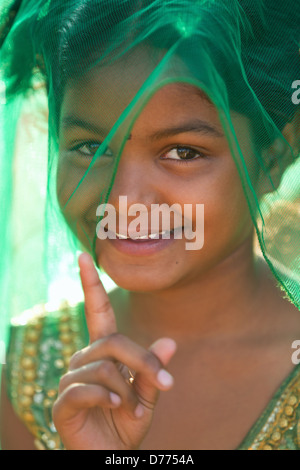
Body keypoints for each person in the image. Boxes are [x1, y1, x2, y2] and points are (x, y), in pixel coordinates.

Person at [0, 0, 300, 450]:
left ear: (272, 156)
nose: (123, 200)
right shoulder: (30, 370)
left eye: (183, 152)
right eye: (90, 147)